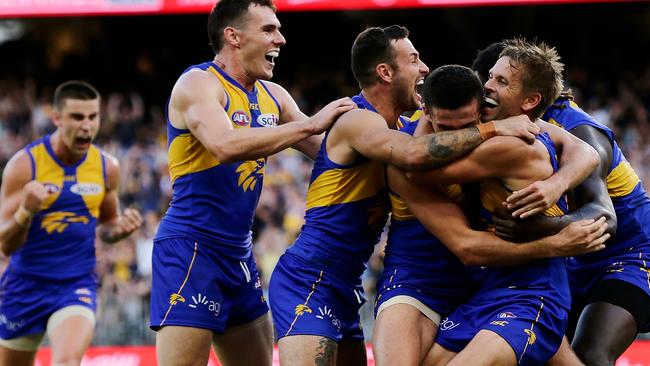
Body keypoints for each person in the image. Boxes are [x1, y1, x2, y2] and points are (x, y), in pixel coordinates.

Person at [268, 25, 549, 366]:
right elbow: (415, 156)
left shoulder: (404, 126)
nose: (425, 68)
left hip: (346, 284)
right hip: (310, 277)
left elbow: (571, 143)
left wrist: (556, 181)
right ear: (385, 72)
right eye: (414, 59)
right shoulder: (357, 119)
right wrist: (494, 127)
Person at [148, 1, 358, 365]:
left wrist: (387, 137)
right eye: (269, 29)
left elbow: (329, 154)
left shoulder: (273, 96)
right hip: (191, 249)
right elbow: (224, 144)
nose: (281, 38)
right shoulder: (198, 82)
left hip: (239, 255)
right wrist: (309, 123)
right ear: (233, 36)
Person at [372, 64, 609, 366]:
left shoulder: (511, 138)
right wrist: (557, 244)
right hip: (429, 277)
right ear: (426, 112)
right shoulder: (410, 157)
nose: (460, 136)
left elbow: (584, 149)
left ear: (481, 110)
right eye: (446, 128)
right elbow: (413, 163)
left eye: (467, 126)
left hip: (514, 284)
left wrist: (556, 184)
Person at [475, 41, 650, 365]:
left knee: (591, 354)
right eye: (489, 79)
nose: (485, 93)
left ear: (530, 97)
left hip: (629, 252)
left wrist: (541, 227)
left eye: (501, 82)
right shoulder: (511, 126)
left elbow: (604, 221)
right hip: (572, 255)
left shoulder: (577, 131)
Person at [0, 80, 143, 366]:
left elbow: (106, 226)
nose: (87, 125)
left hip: (75, 285)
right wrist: (26, 212)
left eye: (93, 117)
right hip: (24, 286)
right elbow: (5, 244)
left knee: (66, 361)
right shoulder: (24, 165)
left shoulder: (107, 168)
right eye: (78, 117)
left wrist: (118, 230)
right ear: (56, 118)